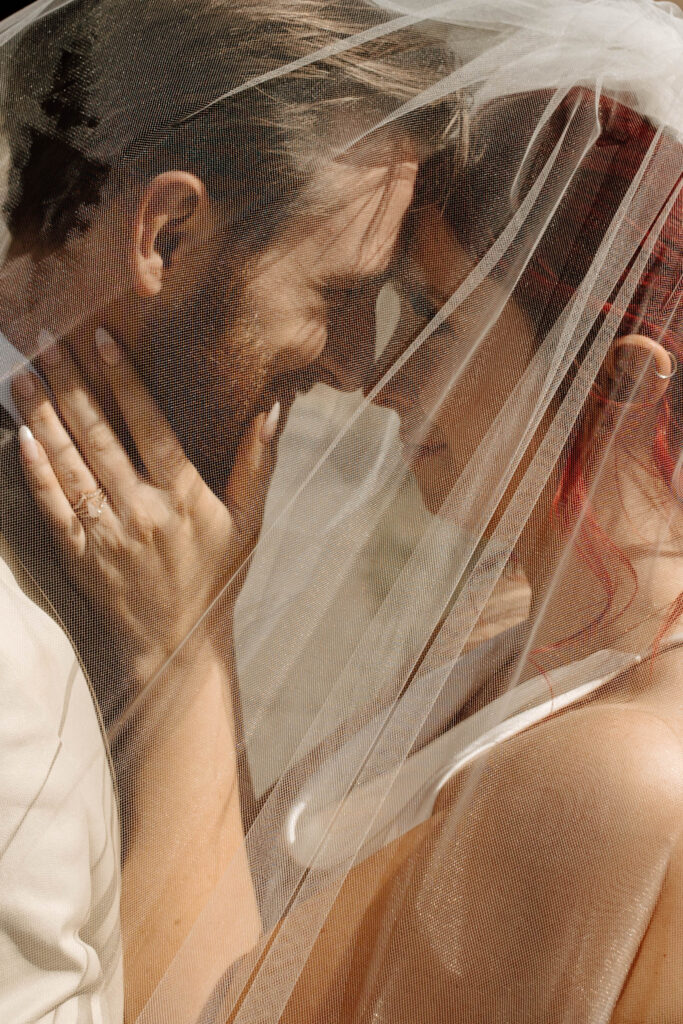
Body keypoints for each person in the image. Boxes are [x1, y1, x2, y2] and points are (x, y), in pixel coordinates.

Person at [5, 1, 683, 1022]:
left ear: (618, 384)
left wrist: (186, 657)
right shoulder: (504, 637)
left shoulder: (617, 768)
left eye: (432, 316)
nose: (376, 376)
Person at [0, 1, 464, 1020]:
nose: (353, 363)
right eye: (337, 291)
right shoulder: (14, 679)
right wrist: (187, 652)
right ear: (164, 233)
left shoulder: (137, 550)